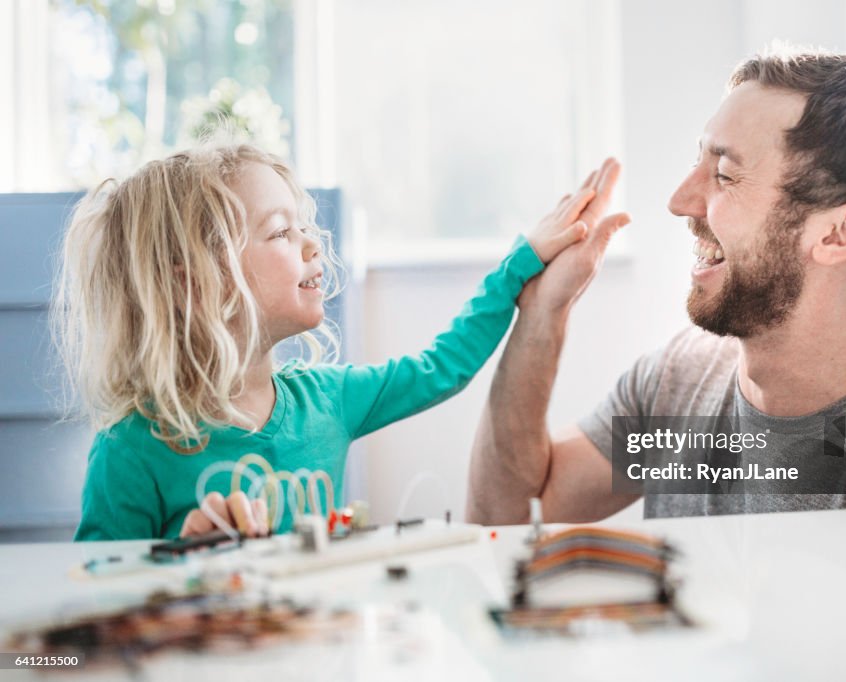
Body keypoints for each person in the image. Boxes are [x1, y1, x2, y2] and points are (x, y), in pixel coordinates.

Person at [466, 49, 846, 524]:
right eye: (697, 163)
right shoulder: (678, 383)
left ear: (837, 233)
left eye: (725, 175)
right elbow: (511, 513)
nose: (680, 201)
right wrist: (542, 311)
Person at [60, 144, 629, 540]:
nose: (313, 244)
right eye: (282, 231)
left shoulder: (328, 400)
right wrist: (177, 560)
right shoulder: (131, 448)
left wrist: (522, 262)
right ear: (195, 280)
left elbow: (444, 367)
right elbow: (94, 600)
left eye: (303, 225)